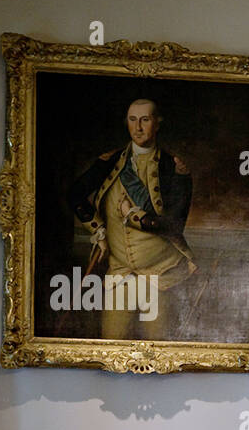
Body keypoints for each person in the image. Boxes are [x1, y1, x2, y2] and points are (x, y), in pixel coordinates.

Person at [67, 98, 197, 338]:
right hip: (120, 273)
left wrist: (133, 215)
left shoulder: (173, 167)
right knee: (111, 344)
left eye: (145, 120)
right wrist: (98, 230)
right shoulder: (110, 162)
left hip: (160, 274)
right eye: (132, 120)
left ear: (157, 124)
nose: (138, 128)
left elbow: (174, 225)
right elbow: (75, 195)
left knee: (158, 350)